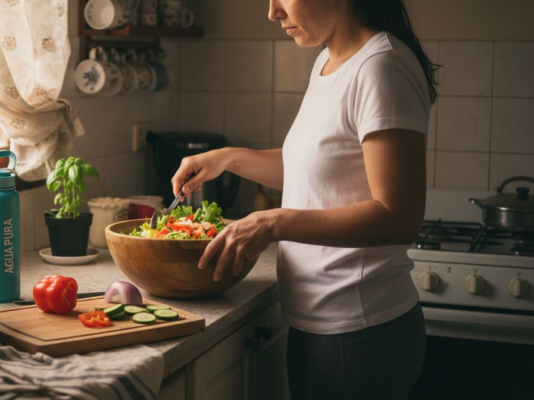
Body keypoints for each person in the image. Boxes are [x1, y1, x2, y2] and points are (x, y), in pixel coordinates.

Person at [171, 0, 436, 398]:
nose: (272, 12)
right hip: (315, 320)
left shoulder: (382, 66)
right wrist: (225, 158)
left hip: (361, 328)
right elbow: (317, 168)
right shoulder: (328, 61)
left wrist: (274, 222)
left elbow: (398, 216)